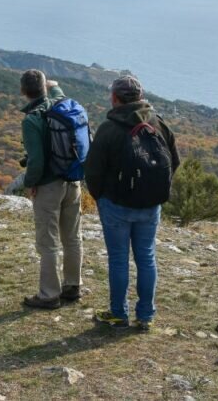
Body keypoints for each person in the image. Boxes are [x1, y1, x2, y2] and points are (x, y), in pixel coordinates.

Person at [84, 75, 180, 331]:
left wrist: (101, 197)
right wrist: (155, 189)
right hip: (150, 205)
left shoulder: (109, 128)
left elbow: (92, 171)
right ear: (141, 97)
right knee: (146, 257)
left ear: (115, 98)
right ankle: (145, 315)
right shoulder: (157, 123)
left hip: (116, 204)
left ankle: (118, 314)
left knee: (118, 260)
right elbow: (174, 161)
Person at [18, 69, 83, 310]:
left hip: (49, 186)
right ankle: (72, 286)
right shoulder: (59, 104)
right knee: (72, 236)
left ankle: (48, 294)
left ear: (23, 91)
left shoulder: (32, 119)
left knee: (48, 242)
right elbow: (57, 90)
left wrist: (30, 183)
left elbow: (36, 160)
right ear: (45, 88)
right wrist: (52, 85)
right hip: (72, 181)